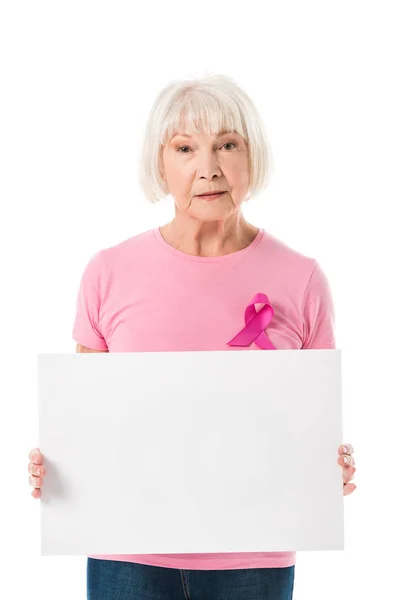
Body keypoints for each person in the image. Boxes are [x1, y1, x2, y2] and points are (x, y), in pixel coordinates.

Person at [28, 73, 357, 600]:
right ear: (160, 163)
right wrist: (60, 465)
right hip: (127, 550)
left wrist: (327, 466)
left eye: (228, 144)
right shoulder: (109, 272)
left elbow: (311, 419)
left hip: (255, 551)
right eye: (186, 148)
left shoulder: (303, 278)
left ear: (253, 157)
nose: (209, 168)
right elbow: (86, 416)